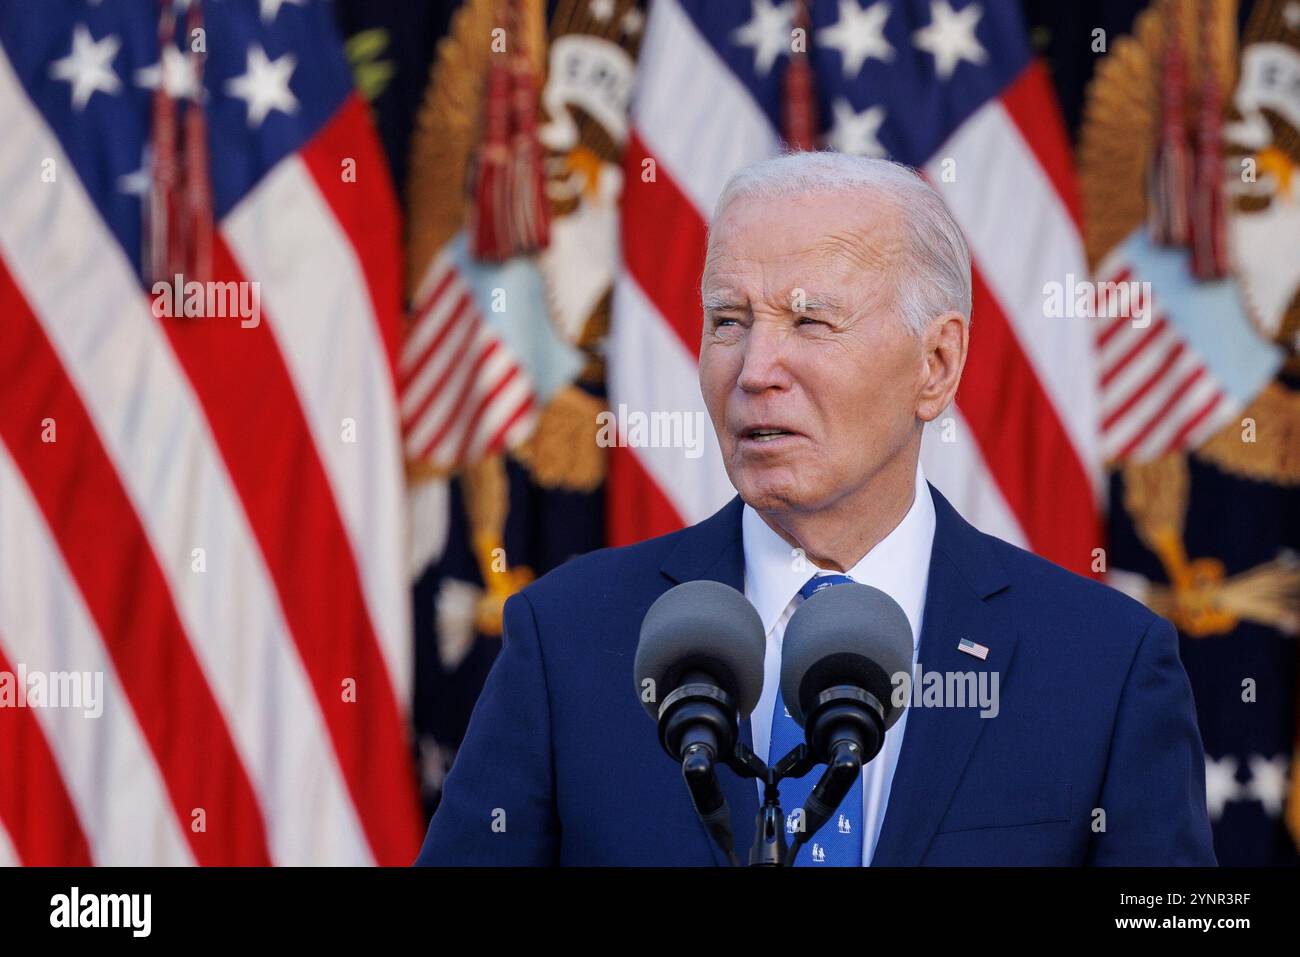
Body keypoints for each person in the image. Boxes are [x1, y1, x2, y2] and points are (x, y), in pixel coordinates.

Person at [415, 152, 1216, 866]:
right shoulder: (567, 641)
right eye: (728, 321)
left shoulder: (1104, 666)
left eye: (809, 320)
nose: (757, 368)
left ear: (935, 365)